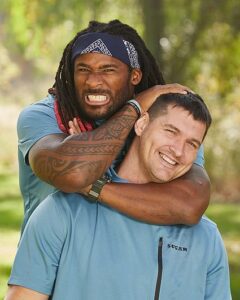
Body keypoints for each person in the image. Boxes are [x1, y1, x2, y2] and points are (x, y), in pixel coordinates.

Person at [5, 93, 231, 300]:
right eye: (171, 131)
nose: (178, 151)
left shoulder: (206, 238)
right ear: (141, 124)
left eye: (192, 144)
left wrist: (91, 184)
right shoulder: (61, 214)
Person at [18, 19, 210, 231]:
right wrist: (135, 107)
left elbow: (189, 205)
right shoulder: (43, 116)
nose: (92, 81)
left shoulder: (163, 124)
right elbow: (75, 173)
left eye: (107, 70)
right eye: (83, 69)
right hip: (53, 257)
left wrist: (93, 185)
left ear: (134, 76)